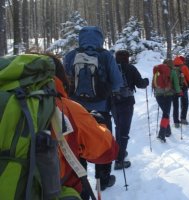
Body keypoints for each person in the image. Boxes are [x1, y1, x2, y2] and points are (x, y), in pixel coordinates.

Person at [48, 54, 119, 199]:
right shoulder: (66, 108)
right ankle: (103, 179)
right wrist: (101, 124)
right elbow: (107, 151)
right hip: (59, 190)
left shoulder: (72, 55)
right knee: (77, 150)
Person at [63, 26, 123, 191]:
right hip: (101, 109)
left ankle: (80, 182)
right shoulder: (106, 56)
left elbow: (62, 82)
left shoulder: (70, 56)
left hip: (74, 111)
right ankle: (102, 180)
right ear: (100, 39)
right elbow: (117, 82)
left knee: (76, 144)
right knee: (101, 141)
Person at [111, 50, 149, 170]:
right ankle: (119, 160)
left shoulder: (111, 68)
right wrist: (146, 81)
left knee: (118, 128)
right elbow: (140, 84)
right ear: (127, 58)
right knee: (124, 131)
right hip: (127, 102)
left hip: (113, 103)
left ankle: (119, 152)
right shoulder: (130, 68)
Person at [153, 59, 181, 142]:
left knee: (165, 113)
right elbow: (176, 84)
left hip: (158, 95)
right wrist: (179, 92)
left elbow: (154, 83)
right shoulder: (172, 71)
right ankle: (161, 134)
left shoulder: (157, 71)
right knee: (166, 114)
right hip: (168, 95)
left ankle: (167, 131)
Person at [173, 55, 189, 125]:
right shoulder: (184, 67)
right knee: (185, 103)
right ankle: (183, 118)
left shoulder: (172, 67)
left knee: (175, 105)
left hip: (173, 88)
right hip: (183, 88)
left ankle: (176, 121)